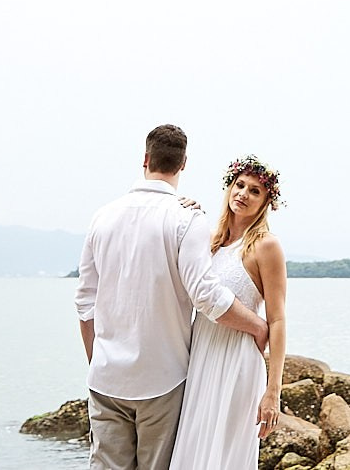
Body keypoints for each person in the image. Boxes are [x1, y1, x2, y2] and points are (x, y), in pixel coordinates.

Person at [76, 125, 271, 470]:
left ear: (145, 158)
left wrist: (98, 360)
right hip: (162, 378)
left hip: (106, 377)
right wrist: (258, 325)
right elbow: (206, 295)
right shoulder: (186, 218)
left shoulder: (102, 217)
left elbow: (84, 303)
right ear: (183, 164)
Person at [169, 154, 289, 470]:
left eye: (255, 191)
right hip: (200, 358)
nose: (244, 194)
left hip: (238, 362)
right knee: (193, 452)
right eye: (240, 185)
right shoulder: (210, 241)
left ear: (266, 202)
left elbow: (277, 319)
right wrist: (186, 212)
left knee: (225, 457)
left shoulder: (266, 246)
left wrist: (273, 391)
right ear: (229, 187)